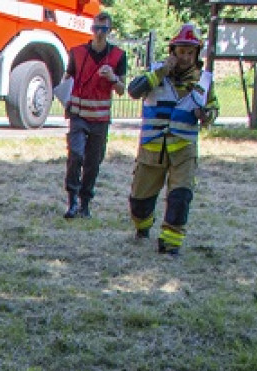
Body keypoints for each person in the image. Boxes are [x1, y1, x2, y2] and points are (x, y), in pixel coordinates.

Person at [127, 24, 218, 255]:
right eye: (181, 51)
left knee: (180, 197)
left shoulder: (205, 81)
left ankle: (170, 244)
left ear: (196, 54)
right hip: (152, 150)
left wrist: (206, 115)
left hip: (184, 152)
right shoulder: (155, 72)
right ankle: (143, 226)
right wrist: (161, 72)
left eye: (190, 52)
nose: (185, 57)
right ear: (172, 51)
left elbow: (213, 108)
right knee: (139, 203)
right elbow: (134, 91)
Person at [58, 12, 126, 219]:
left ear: (109, 31)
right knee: (76, 155)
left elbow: (122, 89)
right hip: (78, 115)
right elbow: (67, 79)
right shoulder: (77, 53)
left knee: (93, 163)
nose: (99, 33)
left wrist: (112, 77)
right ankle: (72, 201)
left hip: (100, 119)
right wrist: (64, 96)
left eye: (103, 29)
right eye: (96, 28)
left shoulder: (118, 55)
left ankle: (85, 204)